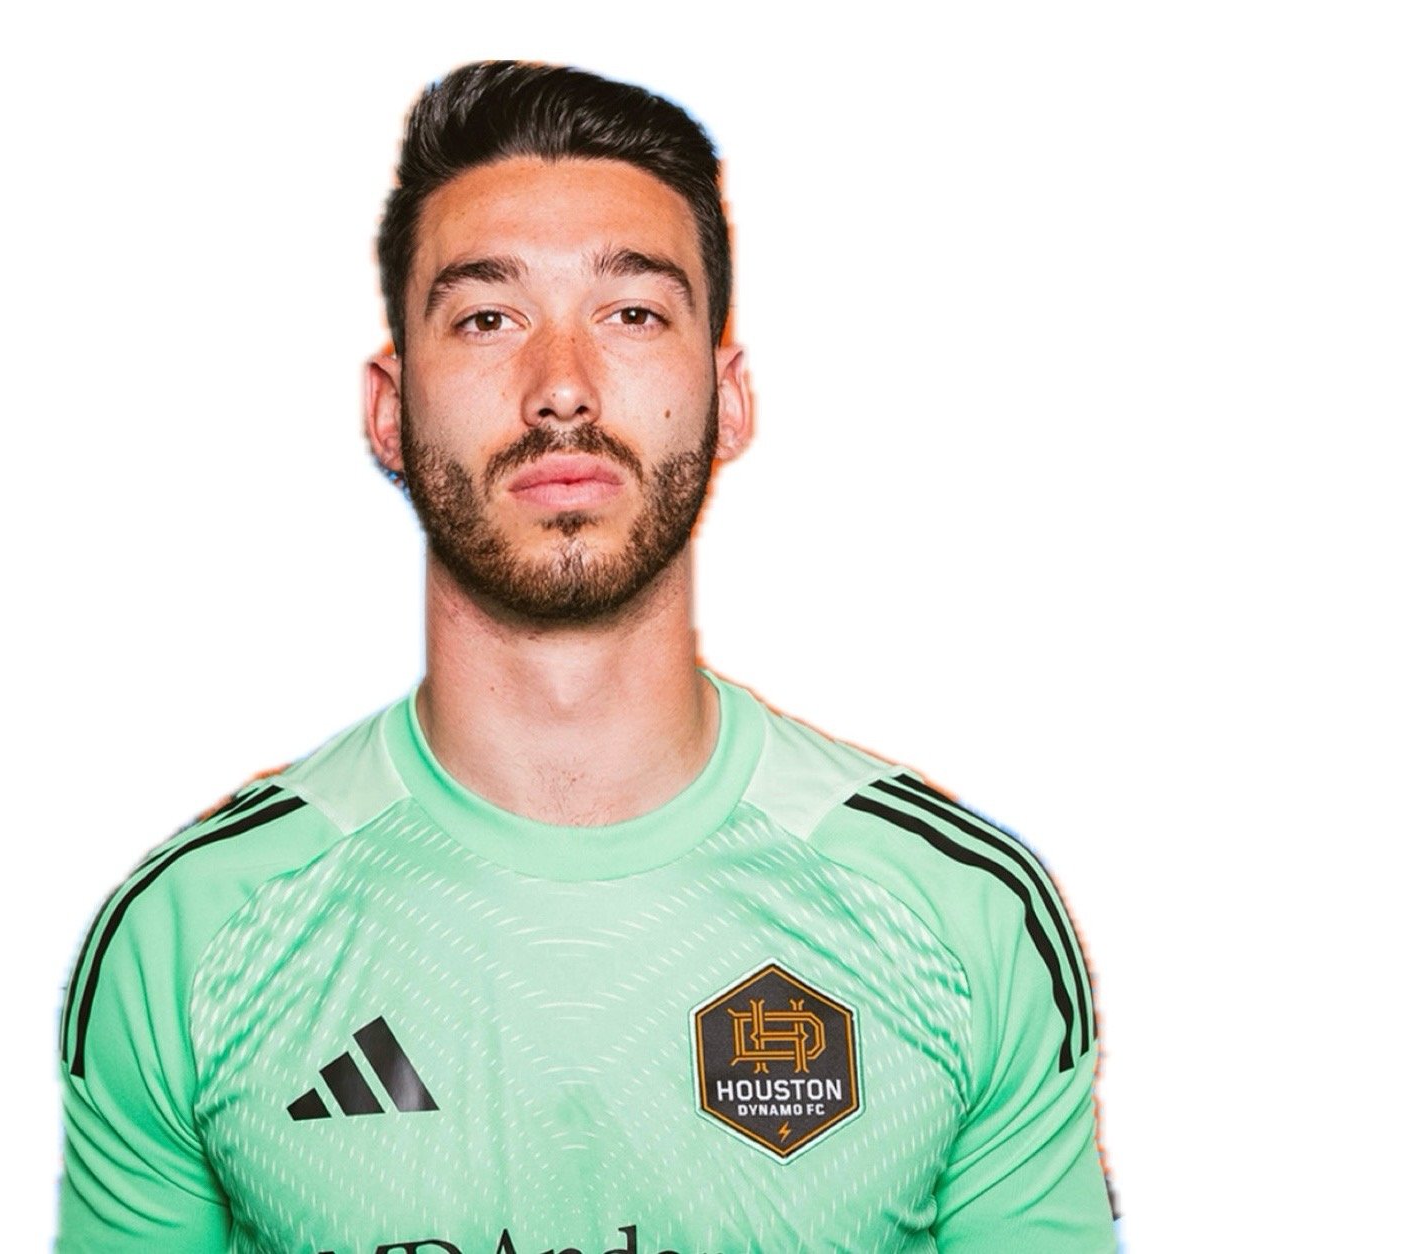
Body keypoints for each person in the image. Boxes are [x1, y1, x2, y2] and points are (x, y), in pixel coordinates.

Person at [56, 61, 1115, 1253]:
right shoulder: (191, 935)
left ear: (726, 396)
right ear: (389, 410)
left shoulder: (960, 917)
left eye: (631, 314)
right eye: (486, 318)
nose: (559, 389)